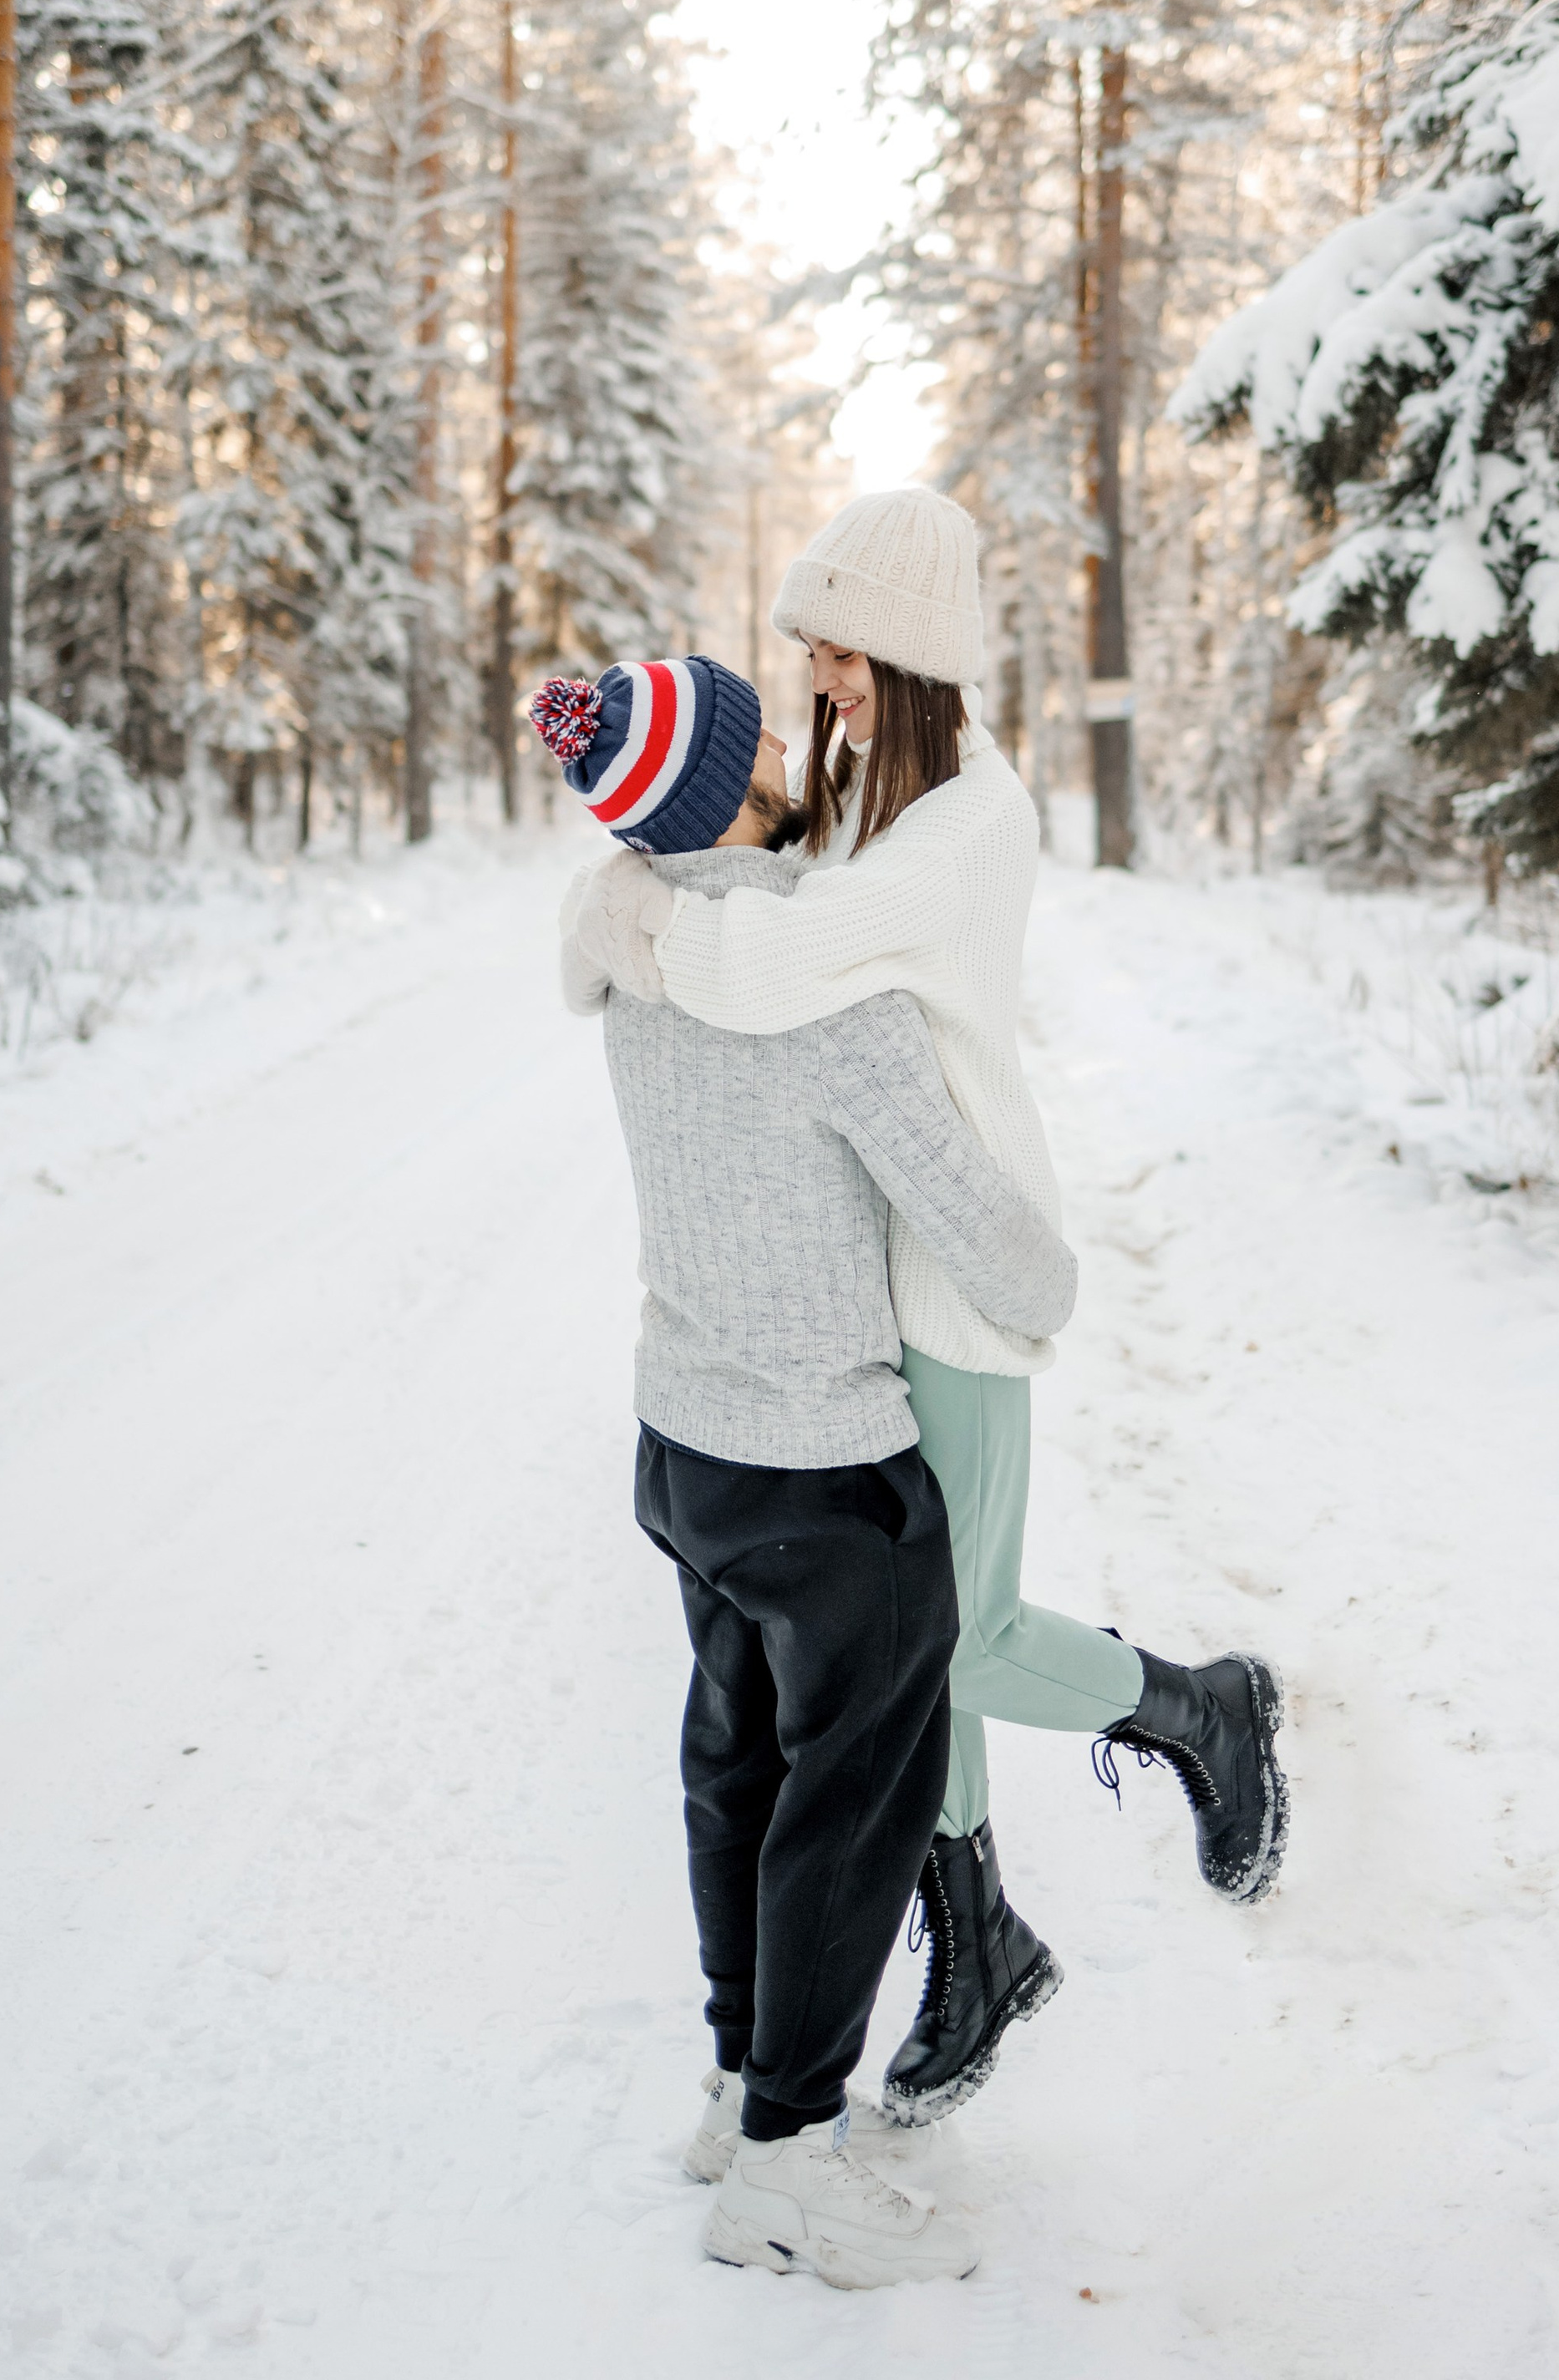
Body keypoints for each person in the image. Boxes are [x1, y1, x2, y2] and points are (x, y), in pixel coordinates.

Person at [569, 495, 1289, 2128]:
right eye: (809, 648)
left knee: (957, 1641)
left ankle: (1198, 1710)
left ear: (909, 650)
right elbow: (730, 888)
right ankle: (977, 1940)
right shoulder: (852, 789)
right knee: (905, 1658)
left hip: (955, 1281)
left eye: (839, 649)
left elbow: (766, 969)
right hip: (855, 1288)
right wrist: (625, 884)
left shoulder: (966, 825)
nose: (817, 678)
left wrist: (625, 910)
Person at [536, 649, 1081, 2288]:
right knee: (849, 1810)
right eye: (756, 733)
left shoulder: (632, 943)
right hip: (825, 1473)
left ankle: (736, 2089)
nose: (788, 739)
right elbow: (966, 1207)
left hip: (687, 1451)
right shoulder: (810, 983)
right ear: (728, 789)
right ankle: (784, 2166)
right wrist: (1046, 1287)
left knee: (738, 1771)